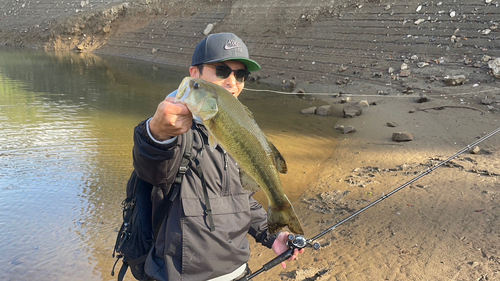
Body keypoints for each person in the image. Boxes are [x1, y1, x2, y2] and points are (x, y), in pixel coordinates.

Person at [132, 32, 303, 281]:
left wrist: (272, 235)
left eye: (240, 74)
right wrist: (155, 133)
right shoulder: (176, 132)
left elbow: (239, 198)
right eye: (222, 71)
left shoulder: (235, 131)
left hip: (237, 271)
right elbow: (152, 167)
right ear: (195, 74)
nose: (232, 82)